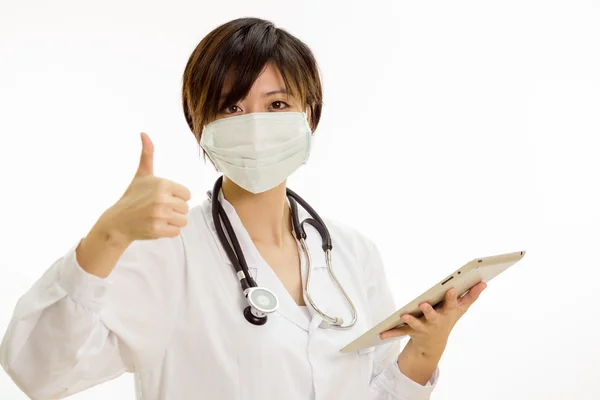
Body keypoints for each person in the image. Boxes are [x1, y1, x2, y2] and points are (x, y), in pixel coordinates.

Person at [0, 17, 486, 400]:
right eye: (231, 107)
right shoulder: (166, 253)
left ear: (309, 117)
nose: (255, 124)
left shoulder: (353, 255)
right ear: (201, 128)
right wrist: (107, 237)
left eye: (277, 105)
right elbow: (40, 376)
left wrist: (425, 347)